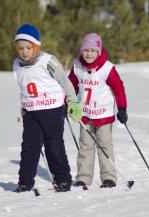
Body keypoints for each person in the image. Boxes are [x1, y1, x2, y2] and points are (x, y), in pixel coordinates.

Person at [12, 24, 82, 192]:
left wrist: (72, 102)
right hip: (31, 113)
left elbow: (65, 82)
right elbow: (24, 88)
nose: (24, 51)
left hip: (52, 111)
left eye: (29, 47)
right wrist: (23, 107)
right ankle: (25, 182)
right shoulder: (16, 65)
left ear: (36, 46)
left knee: (54, 146)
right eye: (20, 48)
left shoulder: (48, 61)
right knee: (29, 148)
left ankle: (63, 179)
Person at [68, 33, 128, 188]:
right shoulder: (77, 66)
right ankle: (83, 178)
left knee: (104, 146)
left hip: (103, 116)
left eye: (93, 51)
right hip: (85, 116)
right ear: (82, 51)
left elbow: (118, 87)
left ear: (99, 51)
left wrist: (122, 107)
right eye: (86, 50)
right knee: (85, 148)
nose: (89, 54)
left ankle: (109, 177)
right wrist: (66, 103)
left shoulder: (107, 68)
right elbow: (70, 87)